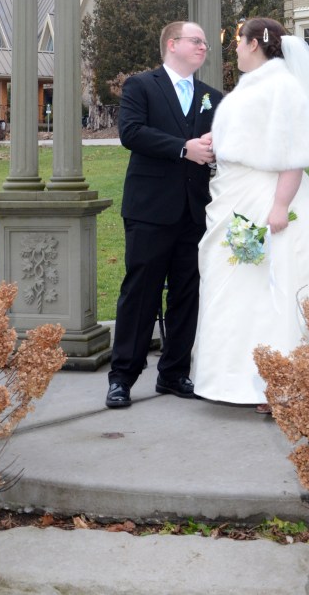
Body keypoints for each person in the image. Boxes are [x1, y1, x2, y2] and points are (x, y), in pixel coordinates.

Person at [191, 17, 309, 412]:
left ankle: (282, 382)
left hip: (269, 201)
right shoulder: (252, 86)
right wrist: (219, 139)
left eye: (239, 42)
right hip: (237, 197)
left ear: (254, 44)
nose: (234, 49)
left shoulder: (283, 86)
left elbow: (294, 153)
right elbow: (253, 135)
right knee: (237, 289)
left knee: (274, 289)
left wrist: (279, 207)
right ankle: (235, 379)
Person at [106, 21, 223, 409]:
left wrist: (214, 146)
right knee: (140, 292)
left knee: (187, 294)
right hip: (150, 209)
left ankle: (173, 373)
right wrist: (183, 148)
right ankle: (122, 376)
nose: (204, 46)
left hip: (195, 210)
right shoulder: (142, 86)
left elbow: (222, 142)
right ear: (172, 44)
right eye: (196, 41)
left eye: (206, 42)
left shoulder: (211, 97)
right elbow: (131, 133)